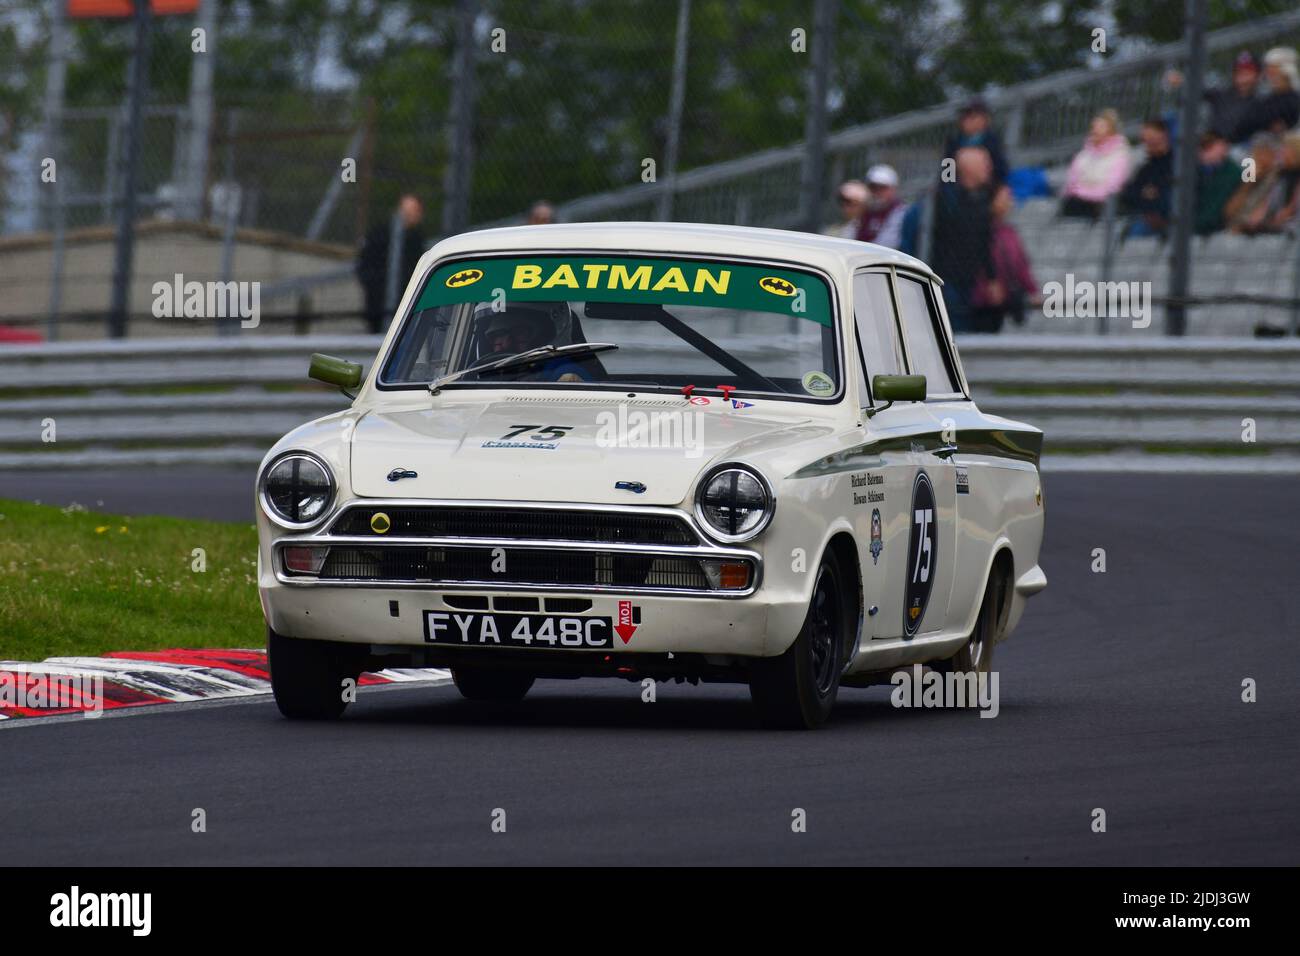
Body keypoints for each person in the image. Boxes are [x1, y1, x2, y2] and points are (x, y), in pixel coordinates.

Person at [931, 146, 996, 333]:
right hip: (947, 279)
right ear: (969, 168)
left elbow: (984, 243)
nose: (989, 168)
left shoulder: (979, 200)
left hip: (968, 281)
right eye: (984, 164)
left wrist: (991, 277)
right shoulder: (947, 201)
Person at [970, 183, 1040, 334]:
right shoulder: (976, 231)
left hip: (1001, 303)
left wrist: (1032, 290)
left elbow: (1021, 265)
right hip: (978, 303)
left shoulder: (1009, 233)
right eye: (1005, 197)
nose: (1010, 202)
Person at [355, 193, 426, 333]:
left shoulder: (416, 240)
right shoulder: (379, 235)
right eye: (406, 212)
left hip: (404, 303)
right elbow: (364, 265)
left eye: (414, 212)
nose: (410, 216)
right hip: (378, 303)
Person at [474, 306, 591, 382]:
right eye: (497, 335)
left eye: (519, 332)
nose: (506, 342)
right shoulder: (479, 375)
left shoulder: (566, 374)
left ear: (544, 335)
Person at [1060, 109, 1131, 220]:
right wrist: (1081, 193)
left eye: (1101, 127)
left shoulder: (1120, 156)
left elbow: (1113, 186)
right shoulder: (1082, 156)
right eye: (1093, 127)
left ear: (1112, 131)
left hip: (1100, 205)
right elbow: (1072, 183)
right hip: (1079, 201)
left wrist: (1086, 193)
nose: (1095, 130)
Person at [1223, 134, 1288, 234]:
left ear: (1273, 155)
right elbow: (1228, 212)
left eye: (1261, 153)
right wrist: (1247, 184)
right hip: (1234, 230)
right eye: (1255, 154)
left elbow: (1258, 218)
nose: (1256, 158)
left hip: (1258, 233)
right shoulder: (1249, 174)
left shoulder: (1279, 178)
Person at [1120, 118, 1174, 237]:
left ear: (1163, 135)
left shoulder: (1177, 164)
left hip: (1166, 221)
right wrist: (1143, 192)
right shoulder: (1146, 168)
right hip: (1145, 218)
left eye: (1151, 138)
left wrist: (1153, 193)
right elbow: (1129, 193)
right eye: (1145, 140)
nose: (1146, 142)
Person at [943, 97, 1010, 185]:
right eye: (965, 117)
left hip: (987, 189)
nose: (967, 121)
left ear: (985, 119)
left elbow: (1001, 171)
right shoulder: (954, 142)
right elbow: (947, 176)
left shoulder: (992, 141)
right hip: (960, 191)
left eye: (973, 117)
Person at [1201, 50, 1262, 145]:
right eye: (1240, 73)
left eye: (1248, 73)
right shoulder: (1221, 94)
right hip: (1212, 147)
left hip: (1243, 151)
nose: (1243, 78)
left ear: (1257, 76)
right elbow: (1197, 91)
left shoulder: (1261, 102)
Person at [1239, 47, 1300, 141]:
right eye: (1269, 70)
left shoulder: (1294, 98)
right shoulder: (1265, 98)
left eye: (1274, 70)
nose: (1269, 75)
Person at [1195, 131, 1244, 235]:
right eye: (1203, 148)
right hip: (1196, 230)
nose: (1205, 152)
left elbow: (1217, 209)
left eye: (1210, 147)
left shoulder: (1233, 173)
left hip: (1217, 230)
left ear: (1223, 147)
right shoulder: (1196, 173)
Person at [856, 165, 907, 247]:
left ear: (893, 189)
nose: (877, 191)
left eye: (882, 188)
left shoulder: (901, 213)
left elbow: (887, 244)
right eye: (873, 187)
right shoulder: (864, 211)